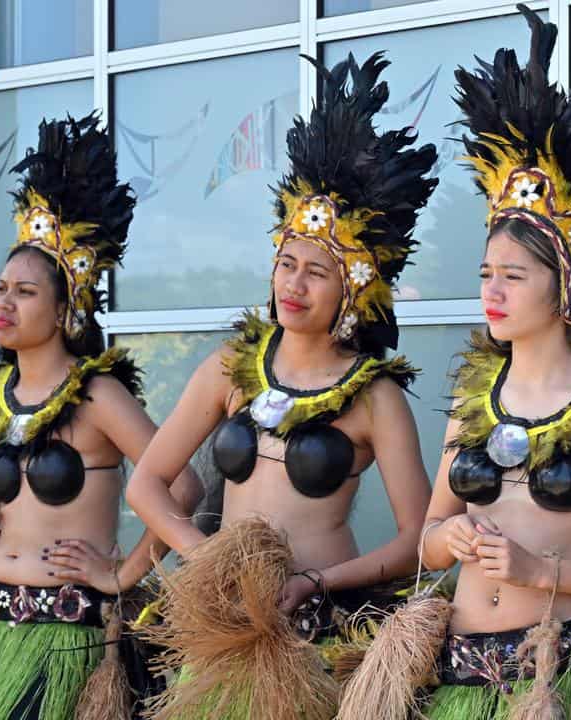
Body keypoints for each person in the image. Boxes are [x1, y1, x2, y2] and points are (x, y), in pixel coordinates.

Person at [125, 52, 439, 720]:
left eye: (316, 273)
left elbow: (417, 538)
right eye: (286, 263)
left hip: (322, 629)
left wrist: (313, 581)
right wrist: (208, 558)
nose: (293, 285)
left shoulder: (374, 396)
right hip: (228, 623)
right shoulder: (230, 368)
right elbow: (147, 484)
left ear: (354, 287)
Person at [381, 7, 571, 718]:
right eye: (486, 273)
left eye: (515, 275)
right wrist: (445, 537)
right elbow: (425, 538)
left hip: (564, 676)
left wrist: (544, 572)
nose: (494, 291)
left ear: (568, 286)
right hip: (462, 679)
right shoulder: (474, 397)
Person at [0, 112, 202, 720]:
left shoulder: (98, 396)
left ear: (68, 307)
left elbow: (185, 485)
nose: (4, 303)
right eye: (0, 287)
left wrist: (122, 572)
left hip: (67, 641)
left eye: (25, 292)